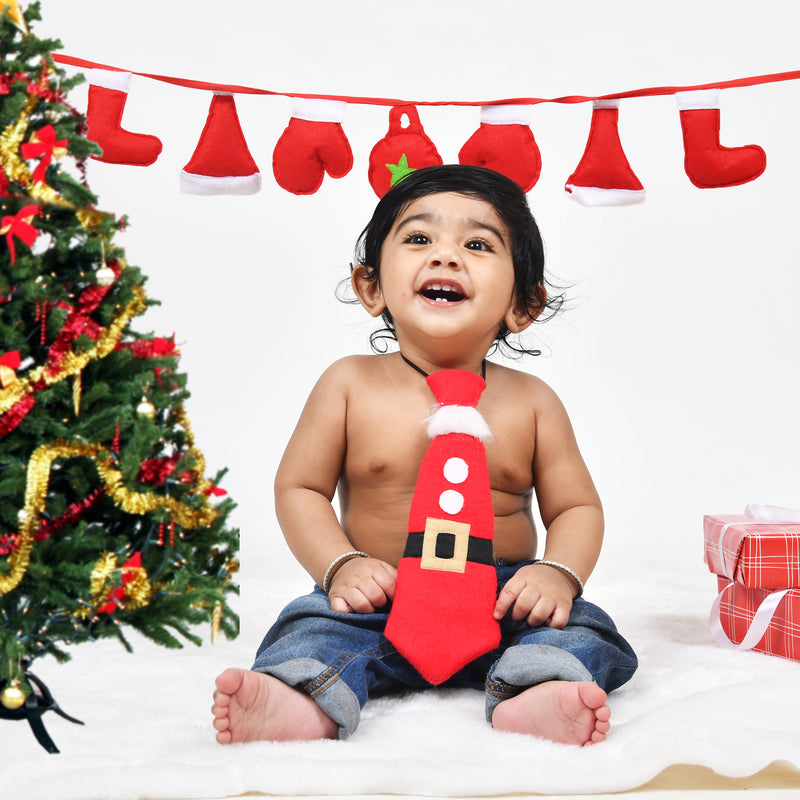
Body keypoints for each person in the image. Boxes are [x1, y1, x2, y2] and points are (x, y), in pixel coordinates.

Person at [212, 165, 637, 747]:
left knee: (586, 629)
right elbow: (300, 488)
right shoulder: (348, 385)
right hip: (379, 595)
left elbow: (576, 508)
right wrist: (340, 565)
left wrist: (556, 574)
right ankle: (302, 699)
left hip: (502, 600)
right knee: (311, 626)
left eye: (478, 245)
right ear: (371, 287)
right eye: (418, 238)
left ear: (524, 303)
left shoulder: (534, 402)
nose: (445, 256)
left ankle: (533, 689)